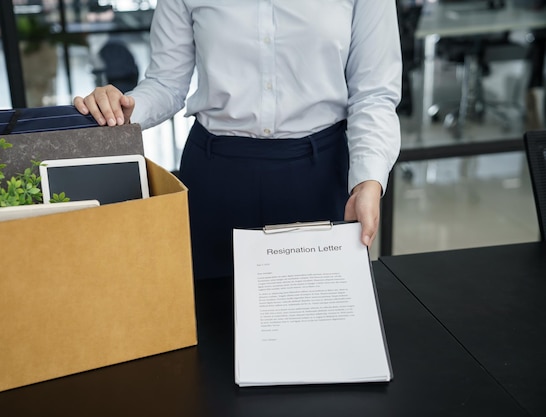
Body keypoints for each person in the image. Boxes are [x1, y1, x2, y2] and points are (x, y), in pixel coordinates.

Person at [74, 1, 403, 279]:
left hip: (318, 174)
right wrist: (126, 109)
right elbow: (166, 83)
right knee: (211, 328)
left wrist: (368, 180)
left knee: (314, 326)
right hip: (217, 175)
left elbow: (373, 93)